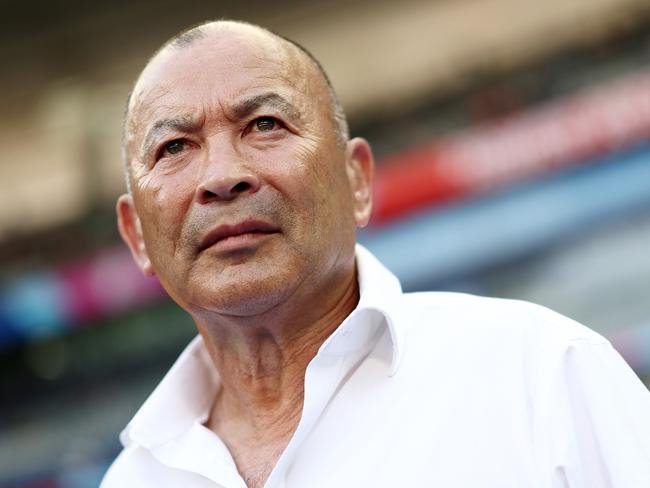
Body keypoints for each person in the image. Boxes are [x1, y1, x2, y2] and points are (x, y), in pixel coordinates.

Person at [101, 20, 650, 488]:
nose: (222, 177)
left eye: (264, 125)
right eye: (174, 148)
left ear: (357, 180)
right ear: (138, 238)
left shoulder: (541, 373)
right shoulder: (136, 477)